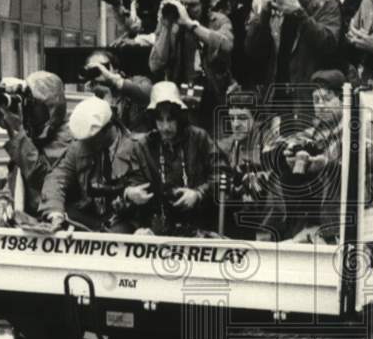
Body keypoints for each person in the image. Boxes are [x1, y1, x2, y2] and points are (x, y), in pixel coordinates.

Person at [264, 69, 373, 243]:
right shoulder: (316, 132)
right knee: (280, 172)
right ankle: (276, 235)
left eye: (327, 98)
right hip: (323, 212)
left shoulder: (361, 128)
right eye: (316, 100)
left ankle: (329, 237)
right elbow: (275, 147)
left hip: (361, 211)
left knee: (335, 172)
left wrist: (328, 164)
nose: (321, 105)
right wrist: (285, 155)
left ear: (342, 100)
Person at [245, 0, 344, 122]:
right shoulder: (277, 7)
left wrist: (299, 13)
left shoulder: (327, 6)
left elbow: (329, 43)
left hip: (308, 101)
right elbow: (252, 49)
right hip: (277, 101)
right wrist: (264, 14)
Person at [120, 81, 223, 237]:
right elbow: (133, 183)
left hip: (199, 225)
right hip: (157, 228)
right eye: (160, 120)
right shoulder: (143, 146)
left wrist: (198, 194)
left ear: (179, 117)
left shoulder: (199, 138)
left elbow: (222, 173)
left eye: (171, 119)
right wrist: (130, 193)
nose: (165, 127)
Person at [0, 71, 73, 215]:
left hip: (56, 220)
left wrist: (17, 132)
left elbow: (45, 182)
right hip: (30, 220)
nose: (28, 109)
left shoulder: (67, 135)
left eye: (33, 104)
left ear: (49, 105)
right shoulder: (32, 135)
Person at [39, 96, 139, 233]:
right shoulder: (79, 147)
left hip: (124, 220)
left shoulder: (136, 148)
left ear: (108, 128)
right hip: (89, 218)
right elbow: (57, 178)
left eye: (92, 139)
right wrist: (54, 211)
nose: (87, 144)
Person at [149, 0, 234, 134]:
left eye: (192, 5)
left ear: (206, 4)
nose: (185, 9)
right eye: (182, 4)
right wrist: (166, 27)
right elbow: (155, 64)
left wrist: (190, 24)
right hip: (181, 99)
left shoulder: (218, 21)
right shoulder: (170, 23)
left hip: (213, 99)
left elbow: (227, 44)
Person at [216, 88, 276, 240]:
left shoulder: (269, 142)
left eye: (242, 118)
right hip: (238, 217)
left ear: (256, 120)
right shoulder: (227, 146)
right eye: (232, 118)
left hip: (266, 221)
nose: (235, 124)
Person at [79, 47, 153, 134]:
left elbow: (149, 96)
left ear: (116, 69)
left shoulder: (137, 82)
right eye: (93, 70)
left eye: (103, 67)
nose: (100, 73)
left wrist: (114, 80)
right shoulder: (92, 93)